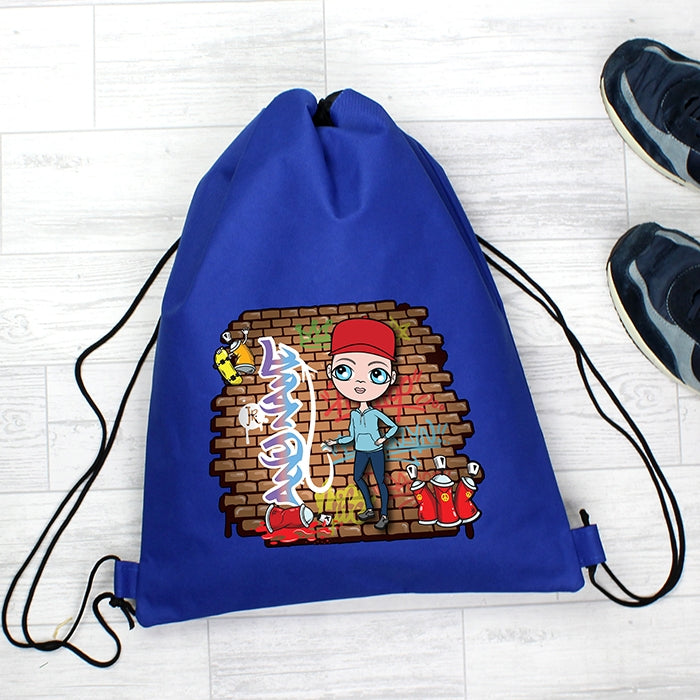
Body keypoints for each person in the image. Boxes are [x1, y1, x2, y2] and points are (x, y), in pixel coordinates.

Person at [322, 318, 399, 530]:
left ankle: (384, 515)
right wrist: (335, 442)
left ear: (391, 377)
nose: (360, 382)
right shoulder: (354, 414)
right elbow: (351, 436)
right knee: (358, 478)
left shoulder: (375, 413)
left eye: (376, 374)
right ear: (330, 371)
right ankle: (369, 508)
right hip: (361, 450)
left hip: (376, 451)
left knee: (380, 481)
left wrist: (383, 439)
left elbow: (394, 427)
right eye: (344, 370)